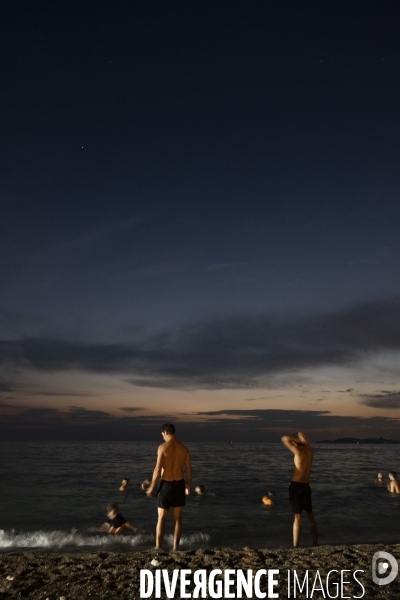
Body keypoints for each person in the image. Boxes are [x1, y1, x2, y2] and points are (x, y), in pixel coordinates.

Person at [146, 423, 192, 550]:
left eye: (162, 434)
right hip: (179, 484)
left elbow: (157, 469)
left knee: (161, 518)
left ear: (165, 432)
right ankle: (175, 548)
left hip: (166, 485)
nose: (162, 437)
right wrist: (188, 485)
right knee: (177, 518)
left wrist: (151, 487)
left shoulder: (162, 447)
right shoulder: (184, 448)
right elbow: (189, 470)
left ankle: (158, 547)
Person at [281, 431, 318, 547]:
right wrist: (303, 439)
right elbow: (305, 443)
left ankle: (296, 546)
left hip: (296, 486)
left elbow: (284, 438)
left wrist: (298, 440)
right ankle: (315, 542)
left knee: (297, 517)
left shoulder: (298, 452)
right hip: (306, 487)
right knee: (310, 516)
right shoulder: (310, 451)